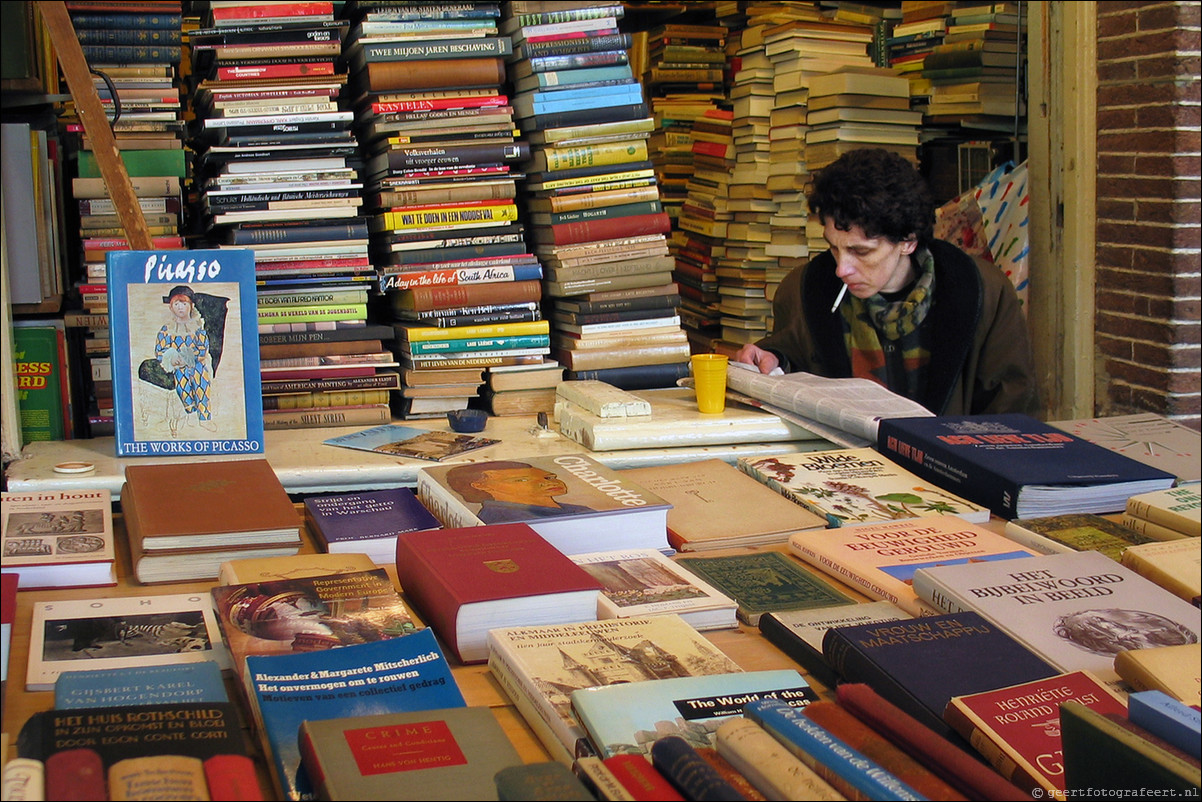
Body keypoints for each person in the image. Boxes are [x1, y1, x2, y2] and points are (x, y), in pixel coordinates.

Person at [736, 148, 1038, 416]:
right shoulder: (803, 289)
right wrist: (772, 357)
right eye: (833, 247)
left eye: (860, 251)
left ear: (907, 241)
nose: (842, 268)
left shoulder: (982, 292)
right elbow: (792, 355)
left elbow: (1010, 409)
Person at [443, 460, 595, 524]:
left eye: (549, 477)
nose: (546, 482)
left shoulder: (575, 509)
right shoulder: (506, 519)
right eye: (522, 480)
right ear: (481, 486)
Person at [155, 285, 216, 431]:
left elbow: (202, 348)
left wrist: (190, 358)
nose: (180, 308)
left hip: (196, 363)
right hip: (178, 366)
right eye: (176, 304)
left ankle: (204, 417)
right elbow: (160, 349)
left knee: (200, 380)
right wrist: (171, 357)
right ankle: (191, 411)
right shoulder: (167, 329)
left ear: (191, 306)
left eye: (184, 304)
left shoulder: (197, 328)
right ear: (171, 307)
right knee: (182, 383)